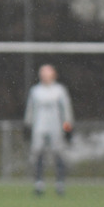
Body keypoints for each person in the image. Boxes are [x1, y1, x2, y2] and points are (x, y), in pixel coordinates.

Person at [24, 64, 74, 196]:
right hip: (39, 127)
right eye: (43, 74)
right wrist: (28, 125)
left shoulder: (59, 90)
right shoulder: (36, 91)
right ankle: (39, 184)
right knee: (38, 154)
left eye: (47, 74)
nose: (45, 77)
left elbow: (66, 111)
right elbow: (30, 110)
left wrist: (67, 127)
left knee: (59, 154)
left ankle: (60, 184)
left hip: (55, 127)